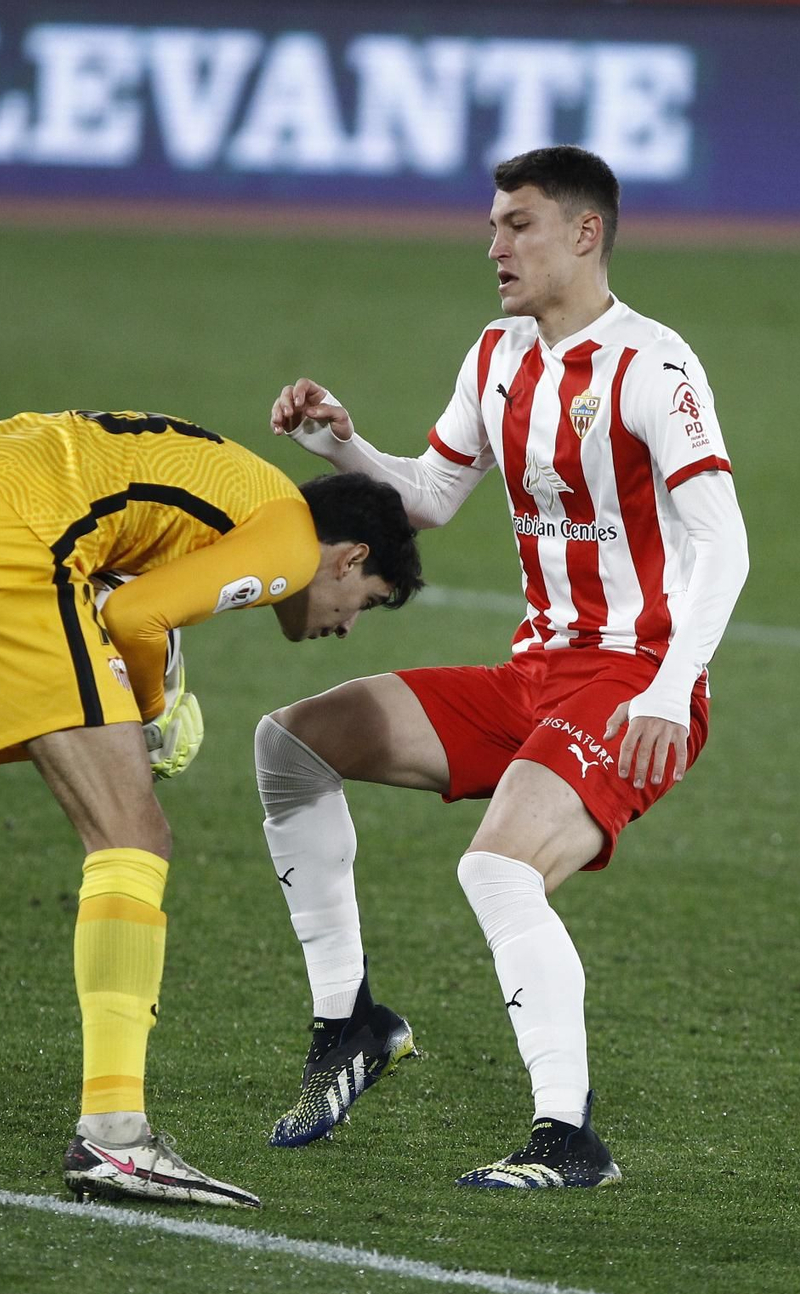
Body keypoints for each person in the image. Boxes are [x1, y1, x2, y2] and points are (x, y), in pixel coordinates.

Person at [0, 407, 423, 1211]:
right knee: (132, 831)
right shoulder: (289, 541)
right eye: (365, 598)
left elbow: (120, 580)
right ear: (350, 556)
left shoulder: (234, 486)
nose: (347, 623)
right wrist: (152, 715)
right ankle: (116, 1137)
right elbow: (130, 617)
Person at [260, 146, 750, 1190]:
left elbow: (727, 541)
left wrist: (670, 688)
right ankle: (349, 1020)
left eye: (516, 224)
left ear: (585, 233)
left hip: (631, 683)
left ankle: (565, 1135)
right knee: (292, 744)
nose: (494, 246)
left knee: (495, 868)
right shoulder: (494, 355)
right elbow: (429, 495)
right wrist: (343, 446)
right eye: (492, 225)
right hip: (532, 675)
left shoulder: (653, 366)